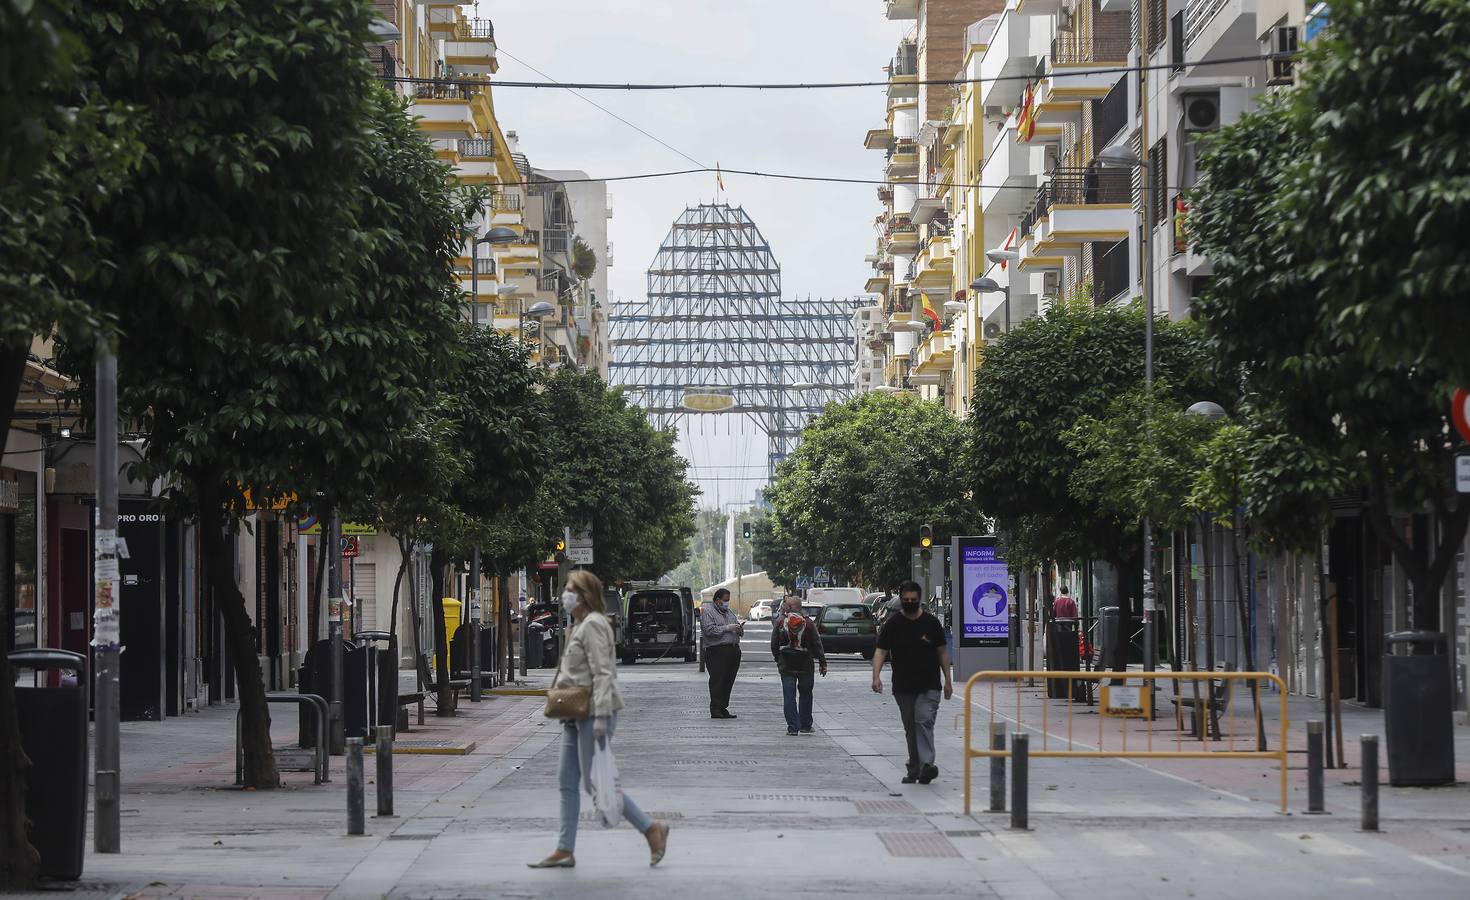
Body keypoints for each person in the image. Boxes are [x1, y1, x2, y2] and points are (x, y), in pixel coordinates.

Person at [529, 570, 670, 869]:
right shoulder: (579, 624)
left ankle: (651, 828)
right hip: (575, 713)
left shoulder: (593, 624)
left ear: (582, 594)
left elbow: (604, 672)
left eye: (568, 589)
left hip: (593, 712)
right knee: (566, 781)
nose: (563, 595)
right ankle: (564, 849)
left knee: (596, 784)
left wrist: (602, 717)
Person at [872, 580, 953, 785]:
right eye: (906, 600)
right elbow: (881, 651)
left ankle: (927, 764)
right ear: (901, 599)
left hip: (929, 684)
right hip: (903, 685)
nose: (909, 603)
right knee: (911, 727)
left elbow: (942, 652)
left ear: (919, 599)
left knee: (923, 720)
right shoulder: (893, 624)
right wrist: (876, 676)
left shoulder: (931, 623)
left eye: (913, 600)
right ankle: (915, 768)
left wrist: (948, 681)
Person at [770, 595, 826, 735]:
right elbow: (817, 643)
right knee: (806, 694)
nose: (783, 606)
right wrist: (822, 662)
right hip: (805, 664)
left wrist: (778, 658)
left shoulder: (780, 621)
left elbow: (774, 643)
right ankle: (806, 725)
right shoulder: (808, 623)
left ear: (790, 607)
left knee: (789, 695)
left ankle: (793, 727)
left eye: (785, 605)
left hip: (786, 664)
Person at [700, 587, 743, 719]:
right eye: (725, 600)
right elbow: (709, 630)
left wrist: (739, 629)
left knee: (728, 680)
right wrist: (727, 628)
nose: (727, 603)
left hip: (733, 650)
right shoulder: (708, 612)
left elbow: (736, 626)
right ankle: (716, 709)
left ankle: (723, 707)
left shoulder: (729, 612)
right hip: (717, 651)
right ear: (717, 600)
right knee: (718, 680)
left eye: (728, 600)